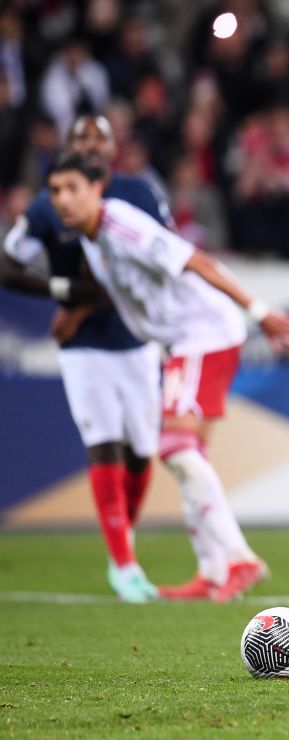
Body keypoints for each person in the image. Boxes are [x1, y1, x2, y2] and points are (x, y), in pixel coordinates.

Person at [44, 152, 289, 602]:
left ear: (96, 190)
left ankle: (238, 558)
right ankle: (210, 573)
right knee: (190, 455)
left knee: (175, 448)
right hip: (186, 340)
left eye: (73, 188)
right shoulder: (91, 241)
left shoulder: (121, 224)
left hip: (203, 333)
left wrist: (259, 311)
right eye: (55, 191)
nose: (63, 200)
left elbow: (196, 261)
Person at [0, 116, 167, 602]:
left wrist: (84, 304)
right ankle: (123, 563)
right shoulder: (51, 205)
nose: (90, 146)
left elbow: (155, 264)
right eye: (81, 139)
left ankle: (123, 541)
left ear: (114, 150)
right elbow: (8, 263)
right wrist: (64, 291)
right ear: (69, 148)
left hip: (135, 340)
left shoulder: (139, 193)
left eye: (99, 139)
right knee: (104, 444)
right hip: (83, 350)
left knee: (141, 452)